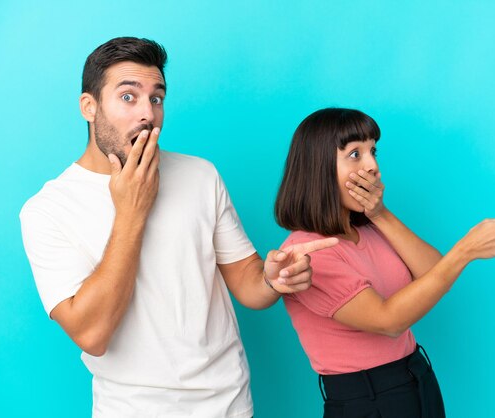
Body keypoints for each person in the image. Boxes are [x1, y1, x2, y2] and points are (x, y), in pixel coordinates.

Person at [20, 37, 336, 418]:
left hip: (230, 404)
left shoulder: (200, 175)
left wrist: (273, 279)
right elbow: (92, 335)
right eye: (128, 97)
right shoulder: (47, 210)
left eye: (156, 98)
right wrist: (131, 212)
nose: (147, 114)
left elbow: (248, 284)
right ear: (89, 107)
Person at [274, 108, 495, 418]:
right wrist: (465, 249)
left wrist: (380, 214)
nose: (373, 166)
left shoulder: (369, 229)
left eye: (373, 151)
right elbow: (389, 321)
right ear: (318, 167)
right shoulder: (309, 252)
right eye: (355, 154)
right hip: (368, 399)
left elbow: (433, 272)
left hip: (416, 378)